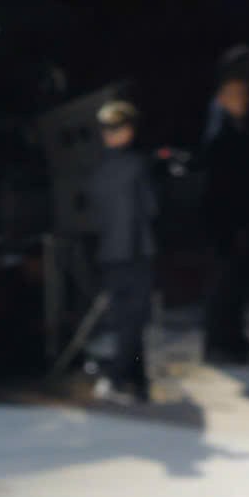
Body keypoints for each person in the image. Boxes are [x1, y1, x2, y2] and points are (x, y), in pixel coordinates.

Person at [198, 47, 249, 365]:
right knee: (223, 280)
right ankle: (219, 343)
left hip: (238, 209)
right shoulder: (220, 120)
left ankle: (235, 335)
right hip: (223, 213)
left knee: (238, 278)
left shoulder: (236, 119)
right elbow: (220, 169)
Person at [88, 99, 158, 403]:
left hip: (109, 253)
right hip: (136, 251)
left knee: (126, 320)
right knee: (134, 321)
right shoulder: (137, 165)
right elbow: (151, 207)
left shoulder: (99, 168)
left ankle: (137, 379)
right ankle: (118, 378)